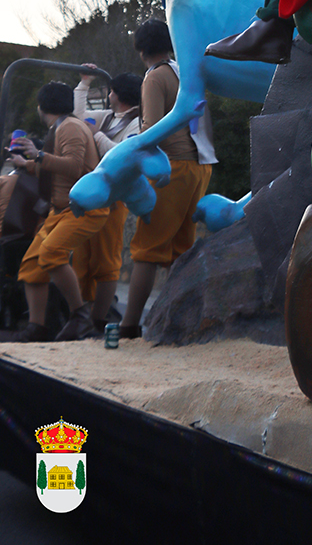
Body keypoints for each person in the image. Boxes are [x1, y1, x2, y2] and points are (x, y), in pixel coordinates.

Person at [120, 19, 216, 338]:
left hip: (172, 168)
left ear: (141, 49)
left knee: (147, 249)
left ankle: (129, 326)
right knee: (179, 251)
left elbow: (151, 130)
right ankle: (181, 323)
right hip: (200, 165)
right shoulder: (184, 71)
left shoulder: (155, 76)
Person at [7, 82, 109, 341]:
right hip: (60, 210)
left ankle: (80, 316)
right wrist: (26, 163)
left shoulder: (71, 127)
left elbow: (73, 167)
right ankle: (36, 328)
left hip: (82, 209)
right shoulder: (60, 127)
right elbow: (54, 169)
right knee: (32, 266)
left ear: (42, 107)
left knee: (51, 254)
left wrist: (39, 155)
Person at [70, 69, 142, 332]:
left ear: (118, 95)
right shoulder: (109, 117)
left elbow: (126, 157)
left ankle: (97, 319)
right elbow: (78, 117)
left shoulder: (137, 123)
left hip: (114, 199)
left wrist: (98, 136)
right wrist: (84, 84)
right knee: (82, 257)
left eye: (111, 91)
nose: (109, 95)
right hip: (92, 196)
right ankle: (80, 316)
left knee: (107, 261)